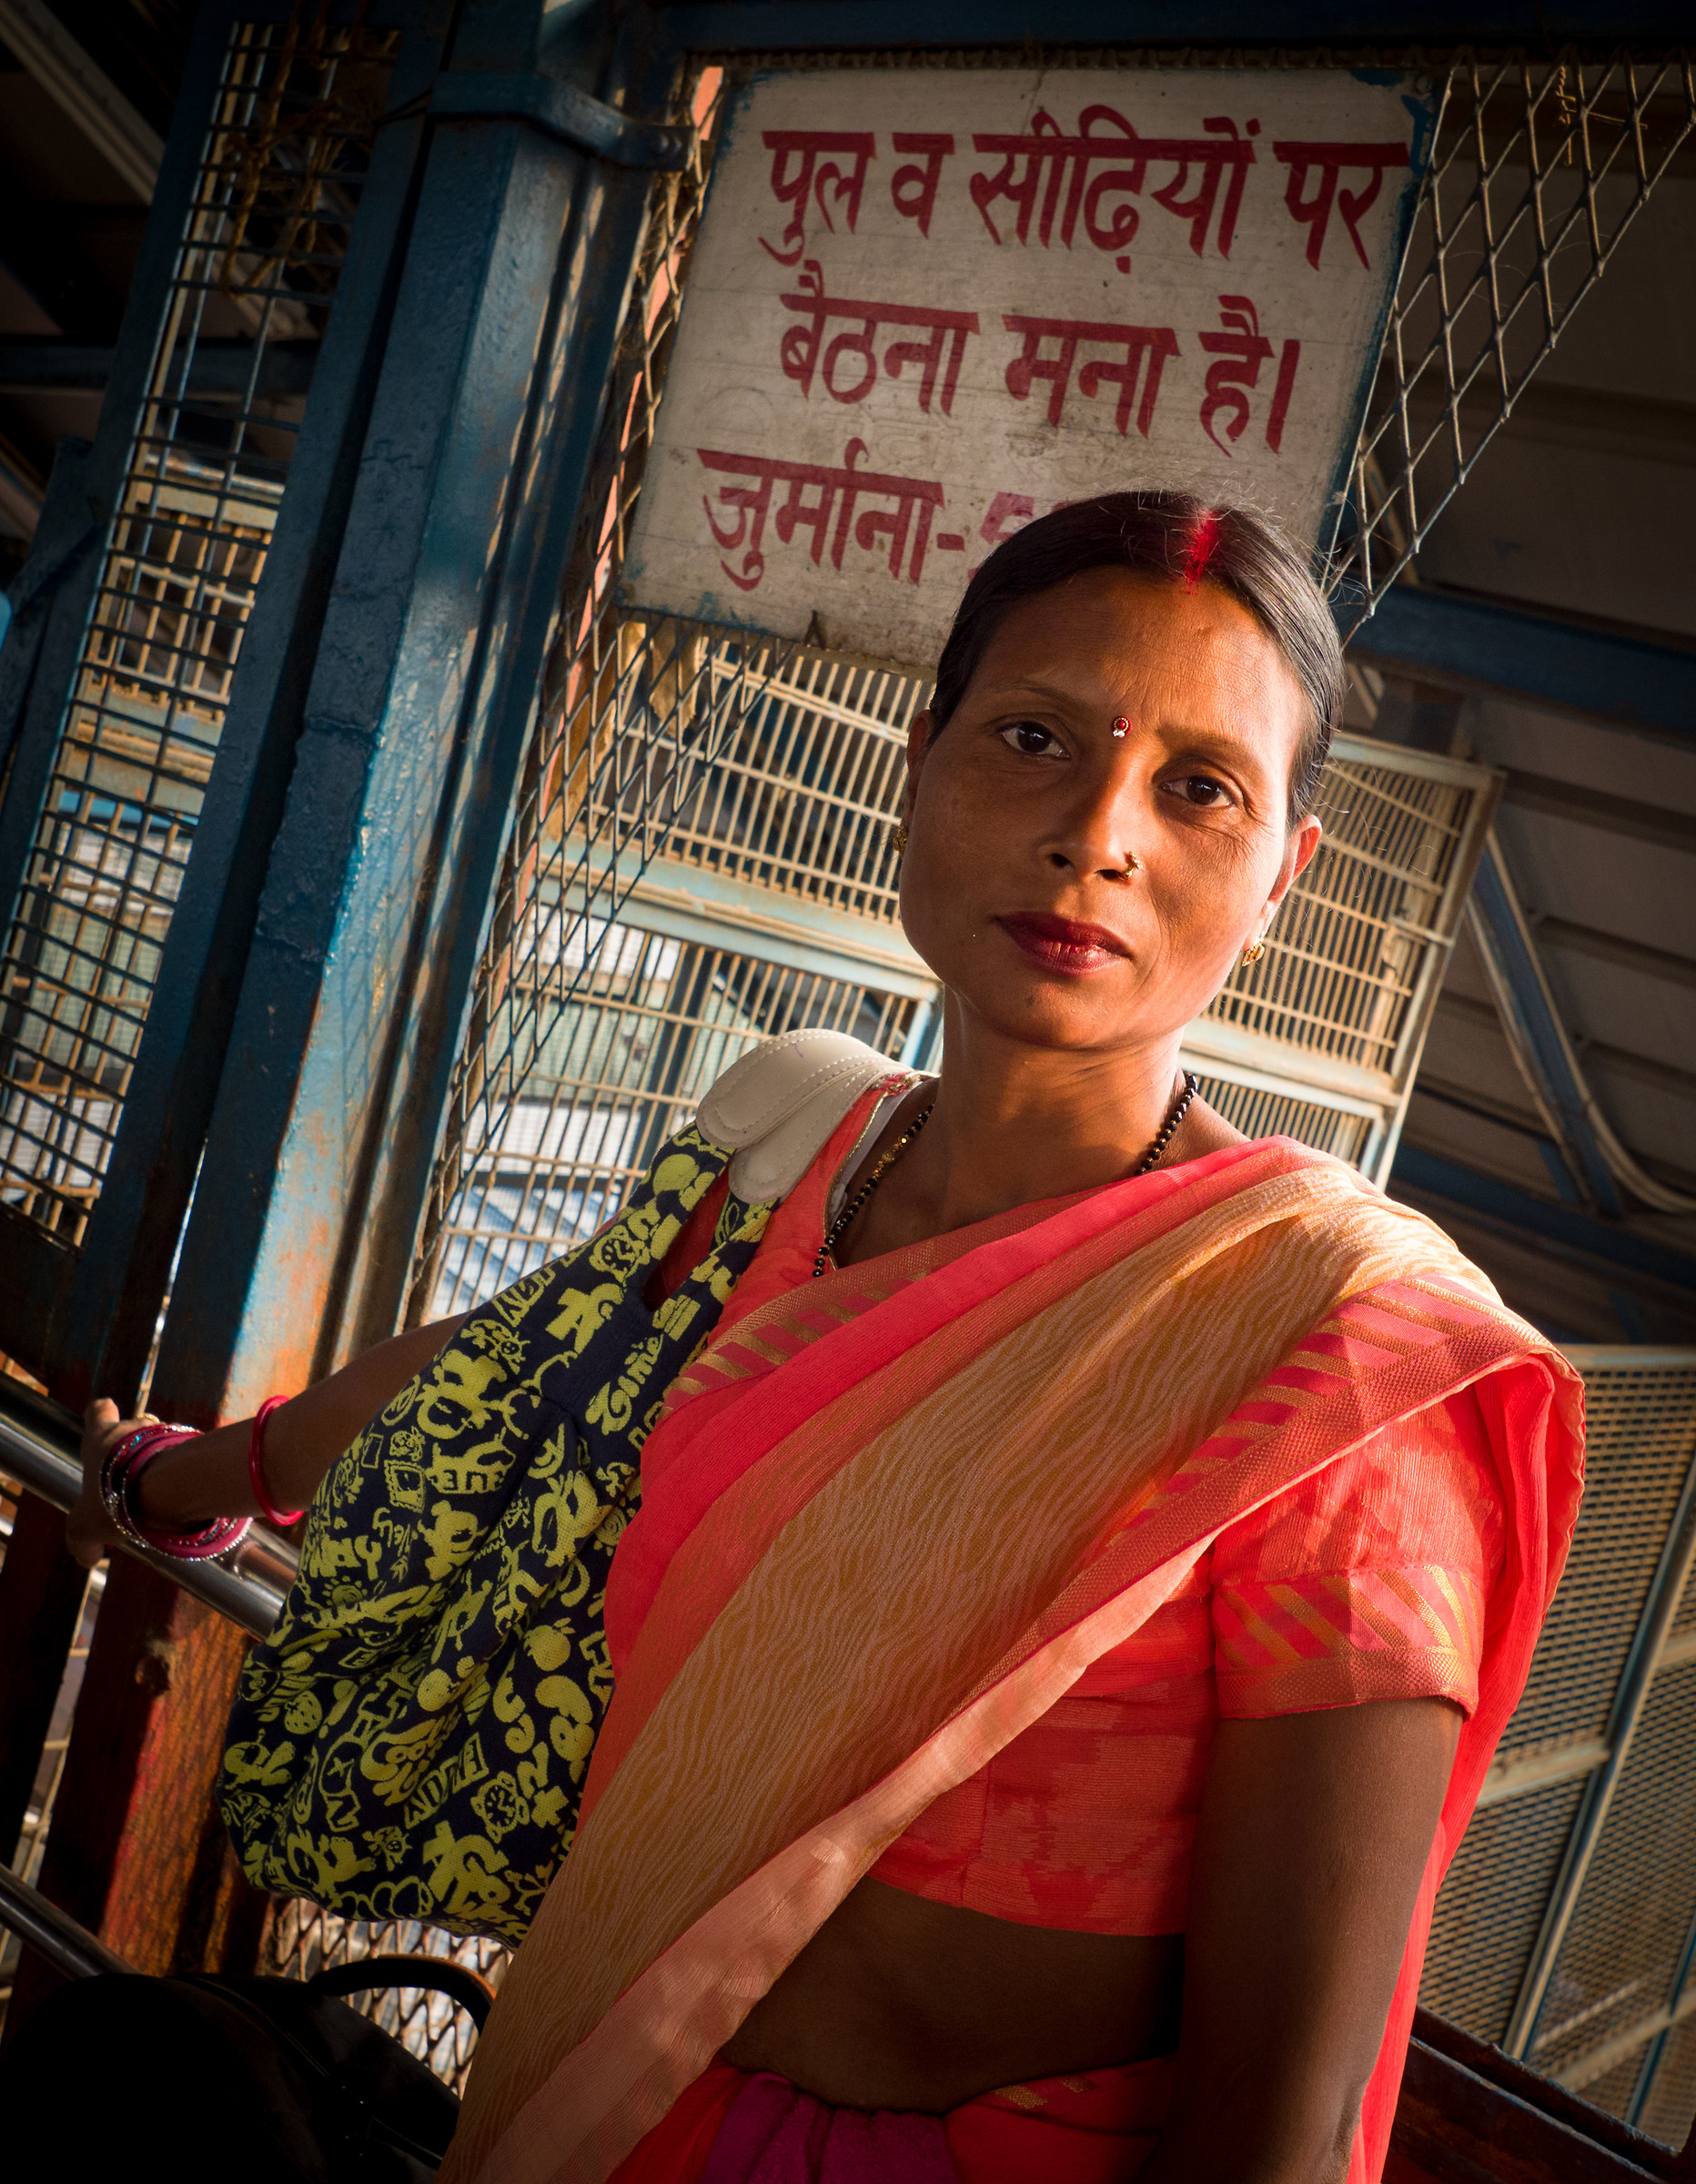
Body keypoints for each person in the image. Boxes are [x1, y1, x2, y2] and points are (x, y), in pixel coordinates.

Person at [72, 494, 1583, 2184]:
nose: (1100, 832)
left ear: (1283, 872)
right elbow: (494, 1382)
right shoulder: (796, 1153)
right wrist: (178, 1482)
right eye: (1033, 737)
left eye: (1198, 787)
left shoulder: (1336, 1362)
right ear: (919, 760)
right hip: (602, 2098)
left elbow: (1285, 2129)